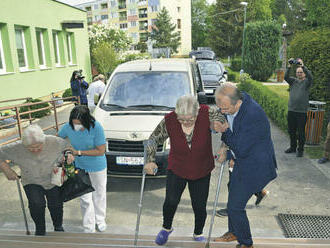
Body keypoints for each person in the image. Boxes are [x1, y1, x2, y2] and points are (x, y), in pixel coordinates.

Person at [144, 95, 226, 245]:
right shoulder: (169, 120)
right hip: (177, 168)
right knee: (170, 201)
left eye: (190, 119)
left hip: (201, 169)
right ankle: (166, 228)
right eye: (181, 119)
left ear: (197, 112)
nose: (185, 122)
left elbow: (227, 124)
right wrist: (150, 160)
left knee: (199, 205)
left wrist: (224, 146)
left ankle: (198, 232)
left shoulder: (208, 112)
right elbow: (152, 139)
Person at [213, 83, 277, 248]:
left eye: (225, 109)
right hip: (242, 160)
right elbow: (232, 133)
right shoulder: (234, 104)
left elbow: (240, 146)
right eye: (220, 107)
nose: (222, 111)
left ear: (237, 103)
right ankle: (234, 232)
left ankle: (246, 243)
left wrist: (224, 132)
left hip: (256, 166)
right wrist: (224, 148)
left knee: (235, 207)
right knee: (232, 195)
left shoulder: (252, 115)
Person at [0, 124, 73, 236]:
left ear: (43, 140)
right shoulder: (17, 147)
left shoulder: (53, 141)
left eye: (38, 146)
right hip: (31, 180)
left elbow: (67, 145)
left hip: (52, 178)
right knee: (36, 204)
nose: (35, 150)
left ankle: (58, 226)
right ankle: (40, 229)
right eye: (31, 148)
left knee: (56, 204)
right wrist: (7, 170)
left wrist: (68, 154)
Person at [58, 105, 107, 233]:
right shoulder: (68, 127)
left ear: (87, 120)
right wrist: (67, 151)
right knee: (85, 199)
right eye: (74, 124)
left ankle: (100, 220)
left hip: (97, 167)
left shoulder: (97, 128)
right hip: (79, 168)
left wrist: (78, 152)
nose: (76, 126)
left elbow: (101, 151)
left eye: (79, 124)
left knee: (99, 195)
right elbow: (57, 140)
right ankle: (89, 227)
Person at [284, 58, 313, 157]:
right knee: (291, 131)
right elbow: (286, 77)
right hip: (292, 110)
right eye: (298, 72)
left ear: (304, 73)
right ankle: (292, 147)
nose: (299, 74)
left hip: (301, 112)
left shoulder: (307, 83)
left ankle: (300, 150)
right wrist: (289, 66)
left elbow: (310, 76)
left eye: (301, 72)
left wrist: (303, 66)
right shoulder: (293, 81)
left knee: (301, 133)